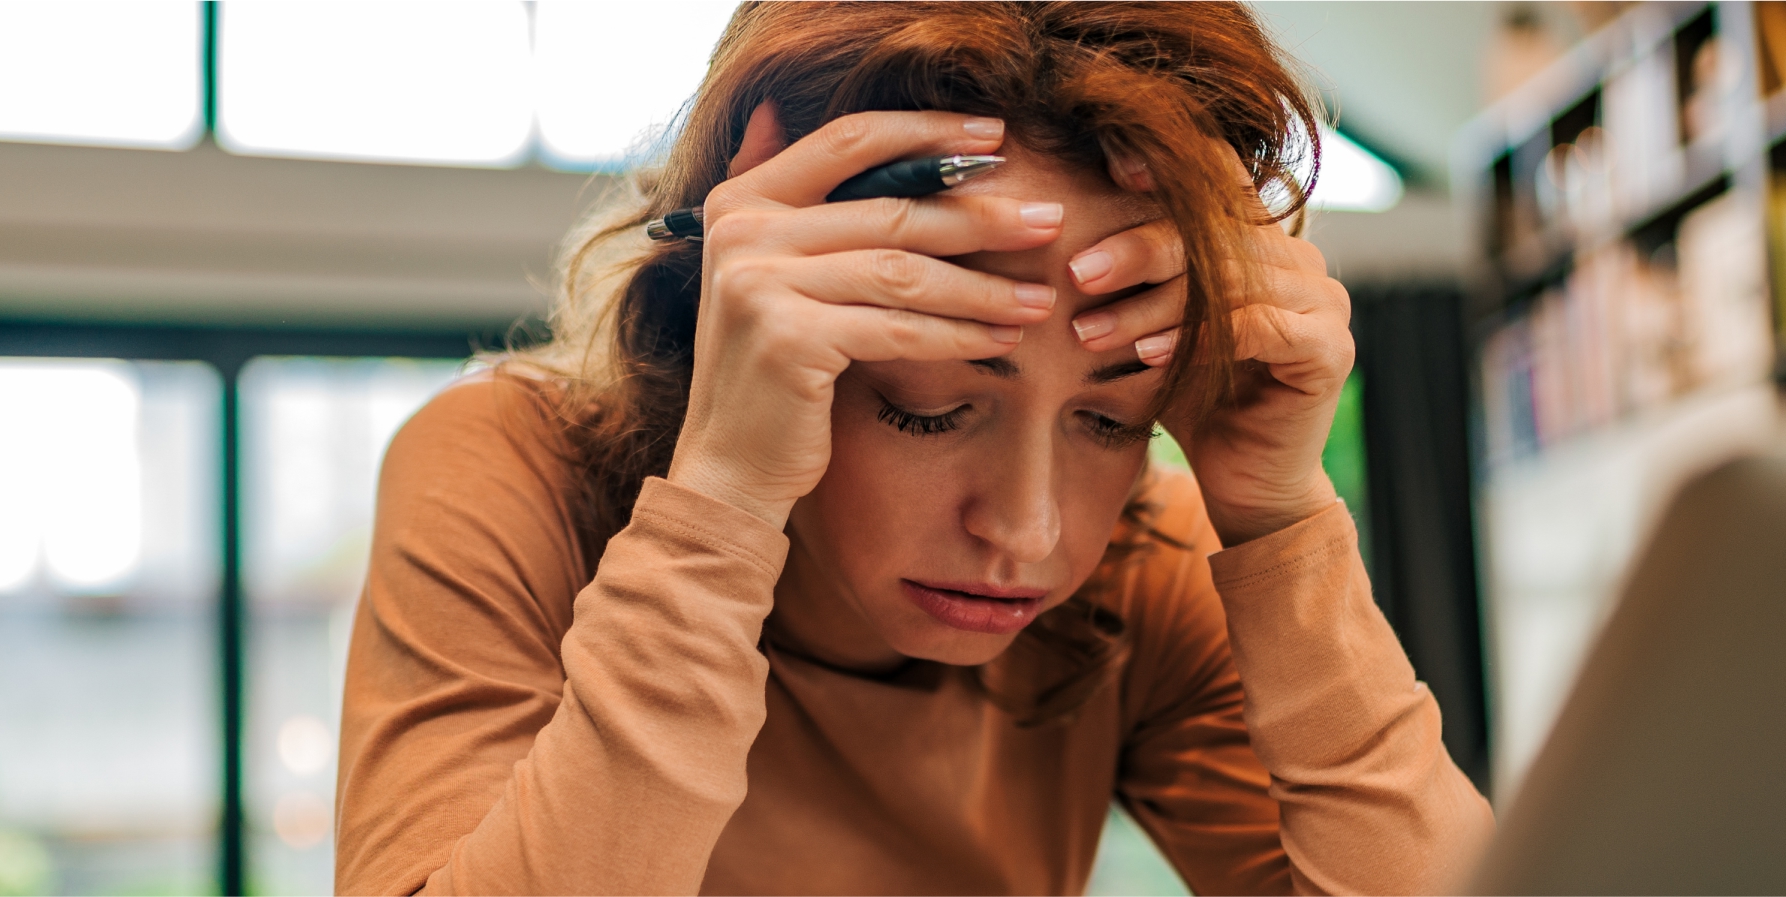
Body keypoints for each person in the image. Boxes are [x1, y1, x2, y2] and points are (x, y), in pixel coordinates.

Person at [335, 3, 1493, 894]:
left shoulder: (1147, 563)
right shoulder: (510, 470)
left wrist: (1283, 524)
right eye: (929, 406)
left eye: (1111, 422)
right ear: (738, 309)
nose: (1028, 530)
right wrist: (724, 500)